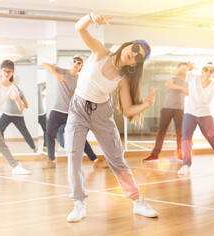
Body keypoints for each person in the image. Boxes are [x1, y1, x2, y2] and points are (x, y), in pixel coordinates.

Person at [65, 11, 159, 223]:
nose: (133, 54)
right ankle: (79, 204)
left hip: (101, 114)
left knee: (116, 159)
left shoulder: (123, 79)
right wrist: (91, 16)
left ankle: (137, 202)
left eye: (138, 57)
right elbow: (79, 28)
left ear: (136, 64)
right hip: (78, 110)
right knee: (73, 154)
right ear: (127, 45)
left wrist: (146, 104)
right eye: (134, 48)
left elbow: (127, 110)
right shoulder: (100, 51)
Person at [41, 55, 107, 169]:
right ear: (71, 63)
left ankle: (95, 159)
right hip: (57, 111)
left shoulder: (80, 79)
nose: (76, 64)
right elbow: (44, 65)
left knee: (80, 137)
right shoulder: (62, 72)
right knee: (49, 134)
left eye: (79, 63)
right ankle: (51, 161)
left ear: (81, 67)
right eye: (74, 61)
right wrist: (57, 76)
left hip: (72, 113)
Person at [143, 62, 189, 162]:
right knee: (161, 132)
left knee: (180, 133)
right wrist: (182, 88)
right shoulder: (172, 78)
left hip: (180, 109)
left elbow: (191, 93)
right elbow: (168, 84)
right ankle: (155, 155)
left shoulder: (188, 82)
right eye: (181, 68)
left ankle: (180, 155)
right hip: (167, 108)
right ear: (178, 69)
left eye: (185, 68)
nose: (183, 70)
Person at [0, 83, 38, 153]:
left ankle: (2, 150)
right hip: (17, 115)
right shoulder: (20, 91)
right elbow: (26, 106)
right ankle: (34, 148)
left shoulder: (8, 89)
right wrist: (19, 103)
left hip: (8, 113)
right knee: (25, 132)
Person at [38, 82, 48, 151]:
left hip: (41, 113)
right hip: (38, 113)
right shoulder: (38, 86)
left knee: (46, 129)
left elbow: (46, 84)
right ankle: (45, 145)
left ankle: (45, 145)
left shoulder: (39, 85)